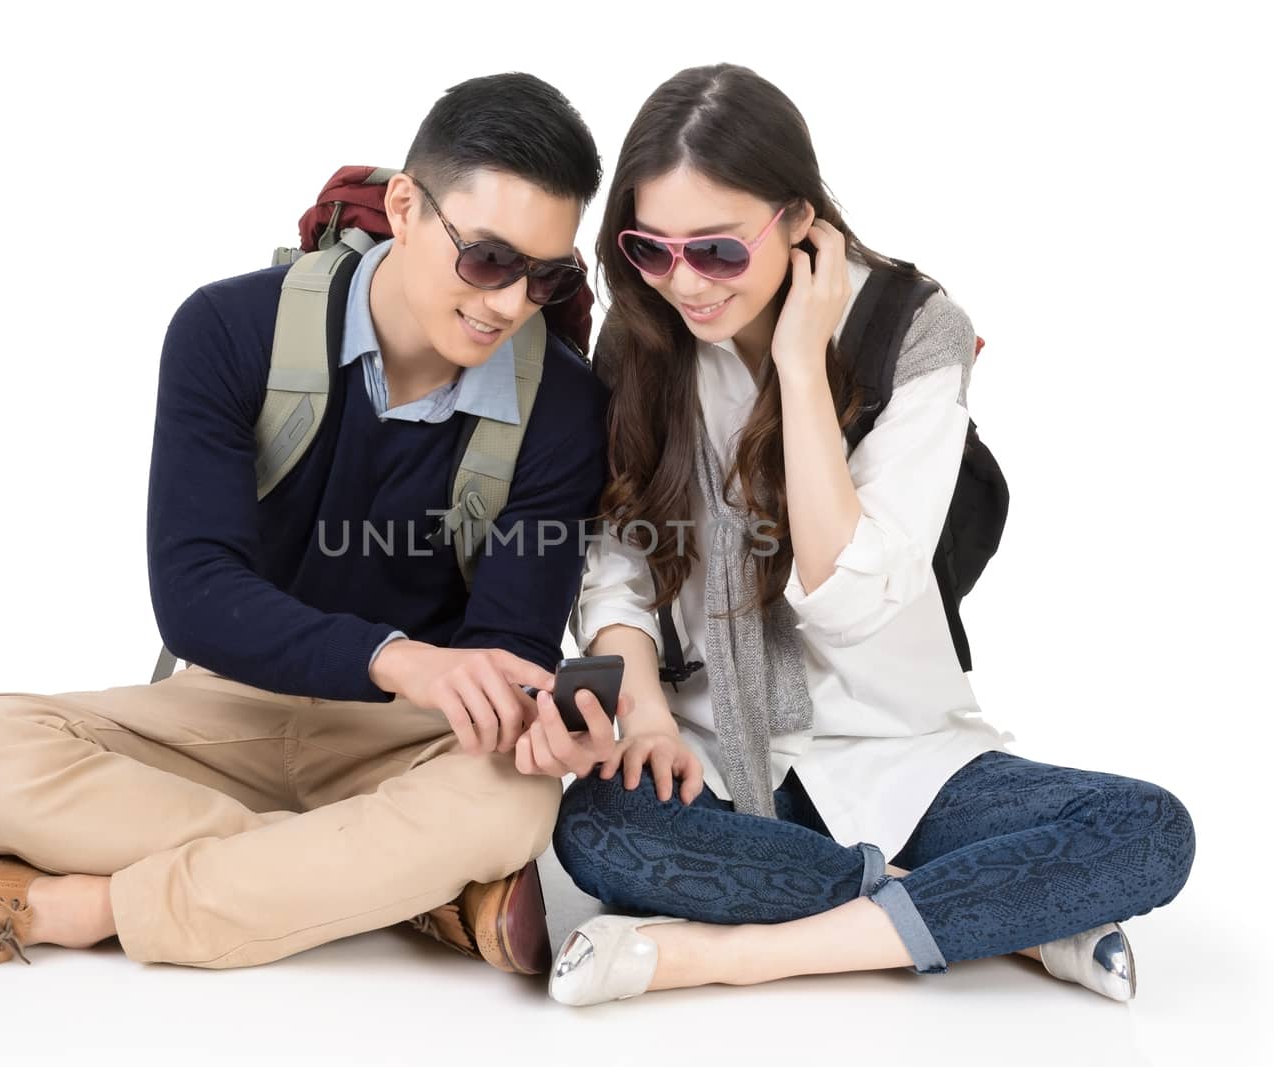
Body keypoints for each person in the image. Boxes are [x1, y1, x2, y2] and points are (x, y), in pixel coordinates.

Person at [0, 72, 610, 976]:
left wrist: (528, 712)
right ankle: (411, 889)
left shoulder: (566, 405)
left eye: (546, 276)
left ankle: (60, 905)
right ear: (407, 206)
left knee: (510, 804)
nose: (510, 302)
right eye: (488, 259)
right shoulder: (229, 328)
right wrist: (398, 657)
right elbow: (195, 595)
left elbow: (507, 646)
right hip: (227, 709)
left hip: (412, 743)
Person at [512, 63, 1196, 1006]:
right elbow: (622, 559)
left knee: (1147, 828)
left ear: (797, 218)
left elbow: (847, 597)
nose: (683, 283)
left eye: (715, 250)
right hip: (721, 751)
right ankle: (999, 921)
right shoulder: (642, 335)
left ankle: (717, 952)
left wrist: (800, 364)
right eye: (651, 249)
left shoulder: (914, 332)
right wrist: (653, 721)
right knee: (600, 826)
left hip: (901, 756)